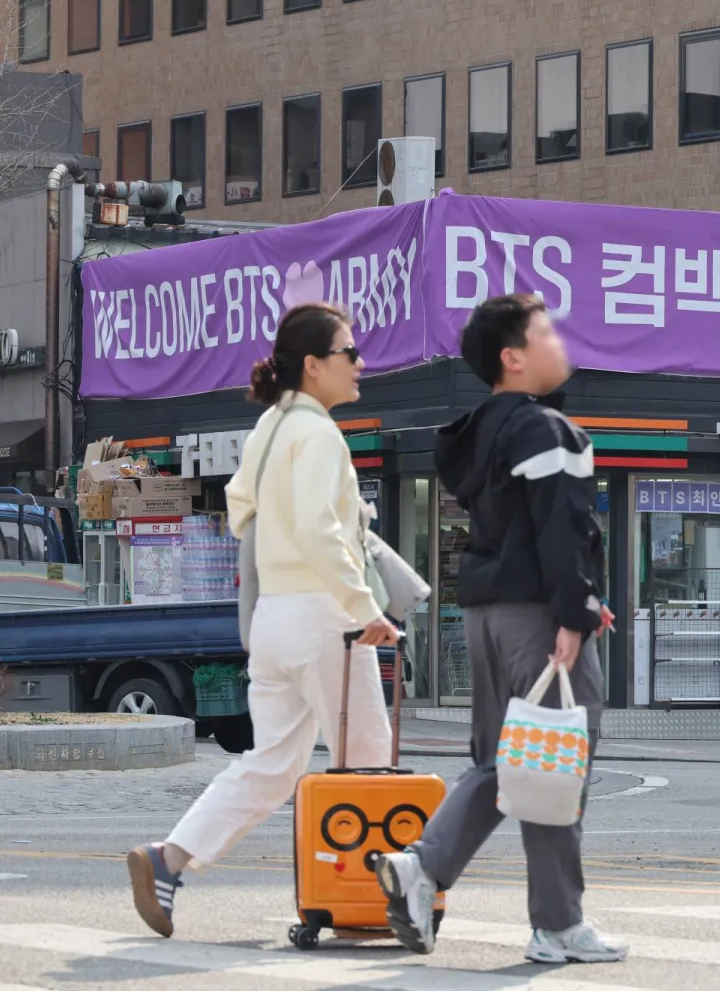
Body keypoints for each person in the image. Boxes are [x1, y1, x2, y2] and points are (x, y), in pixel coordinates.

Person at [126, 302, 400, 938]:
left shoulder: (271, 429)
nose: (361, 364)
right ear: (312, 365)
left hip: (275, 616)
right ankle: (365, 903)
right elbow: (318, 530)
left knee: (272, 764)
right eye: (348, 354)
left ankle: (168, 859)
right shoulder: (320, 434)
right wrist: (366, 608)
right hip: (325, 619)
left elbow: (240, 510)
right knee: (365, 765)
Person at [376, 294, 626, 964]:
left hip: (486, 613)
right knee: (554, 765)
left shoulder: (478, 434)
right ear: (513, 358)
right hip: (539, 618)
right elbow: (562, 529)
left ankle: (431, 871)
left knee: (507, 762)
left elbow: (520, 529)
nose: (558, 343)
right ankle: (554, 922)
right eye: (545, 333)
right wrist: (574, 613)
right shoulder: (548, 431)